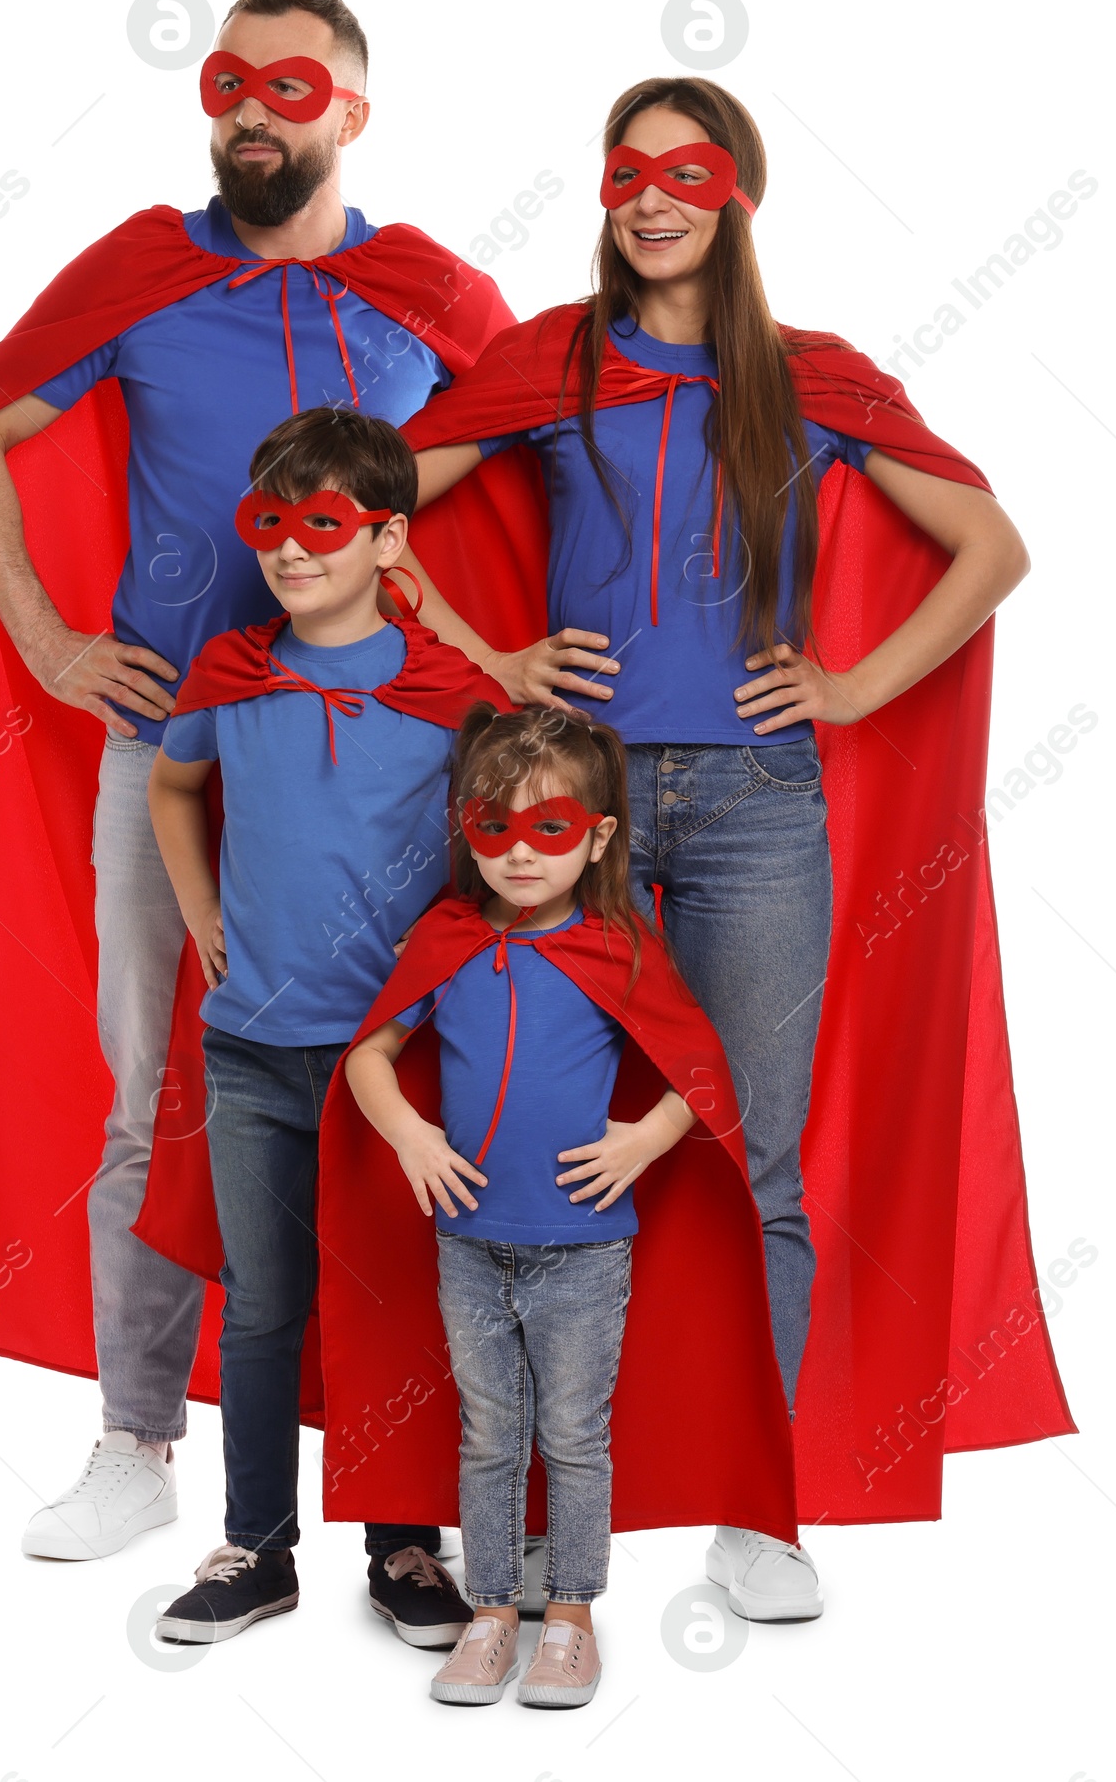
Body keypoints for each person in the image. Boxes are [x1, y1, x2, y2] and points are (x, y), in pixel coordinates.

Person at [0, 0, 513, 1561]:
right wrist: (56, 645)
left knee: (395, 1090)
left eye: (291, 82)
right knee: (160, 1093)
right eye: (229, 81)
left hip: (385, 764)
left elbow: (542, 441)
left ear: (352, 112)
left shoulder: (426, 293)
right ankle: (136, 1438)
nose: (254, 108)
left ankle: (402, 1493)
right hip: (171, 752)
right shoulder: (137, 272)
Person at [383, 75, 1064, 1616]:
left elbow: (992, 545)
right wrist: (496, 663)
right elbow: (377, 503)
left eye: (686, 172)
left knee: (752, 1150)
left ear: (738, 197)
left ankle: (757, 1506)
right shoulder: (554, 358)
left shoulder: (813, 378)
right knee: (524, 1124)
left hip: (761, 808)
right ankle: (543, 1480)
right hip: (574, 815)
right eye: (627, 170)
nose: (650, 195)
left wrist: (849, 685)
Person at [342, 703, 793, 1704]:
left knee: (575, 1437)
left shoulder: (619, 945)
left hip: (585, 1247)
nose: (517, 854)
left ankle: (574, 1620)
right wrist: (410, 1132)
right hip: (467, 1241)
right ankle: (494, 1612)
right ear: (466, 828)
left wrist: (643, 1138)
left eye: (548, 829)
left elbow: (704, 1072)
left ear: (595, 838)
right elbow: (370, 1051)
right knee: (488, 1431)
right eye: (491, 826)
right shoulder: (447, 936)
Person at [145, 408, 508, 1644]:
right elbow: (173, 778)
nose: (292, 552)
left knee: (400, 1298)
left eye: (324, 525)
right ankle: (256, 1544)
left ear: (386, 536)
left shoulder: (442, 691)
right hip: (249, 1046)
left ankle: (406, 1548)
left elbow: (520, 830)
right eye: (271, 525)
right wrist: (200, 909)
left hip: (393, 1064)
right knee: (261, 1301)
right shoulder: (231, 672)